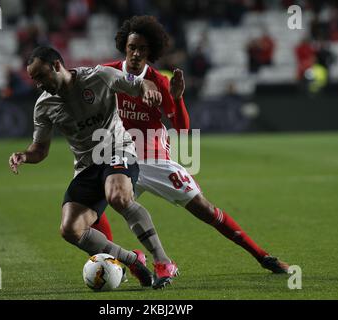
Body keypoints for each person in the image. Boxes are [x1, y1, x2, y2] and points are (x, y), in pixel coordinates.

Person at [94, 16, 289, 280]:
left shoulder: (160, 81)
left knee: (204, 209)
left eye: (142, 48)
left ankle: (262, 256)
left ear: (151, 51)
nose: (136, 53)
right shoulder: (107, 73)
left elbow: (182, 128)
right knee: (89, 211)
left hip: (152, 157)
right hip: (118, 156)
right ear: (124, 47)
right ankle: (129, 260)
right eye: (132, 47)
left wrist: (177, 98)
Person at [8, 46, 177, 289]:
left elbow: (142, 84)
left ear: (56, 65)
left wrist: (150, 90)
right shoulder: (44, 106)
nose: (37, 83)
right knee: (70, 229)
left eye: (40, 76)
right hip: (87, 168)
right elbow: (40, 150)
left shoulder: (99, 76)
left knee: (117, 196)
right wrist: (24, 156)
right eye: (33, 79)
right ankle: (132, 260)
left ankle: (162, 261)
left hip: (119, 151)